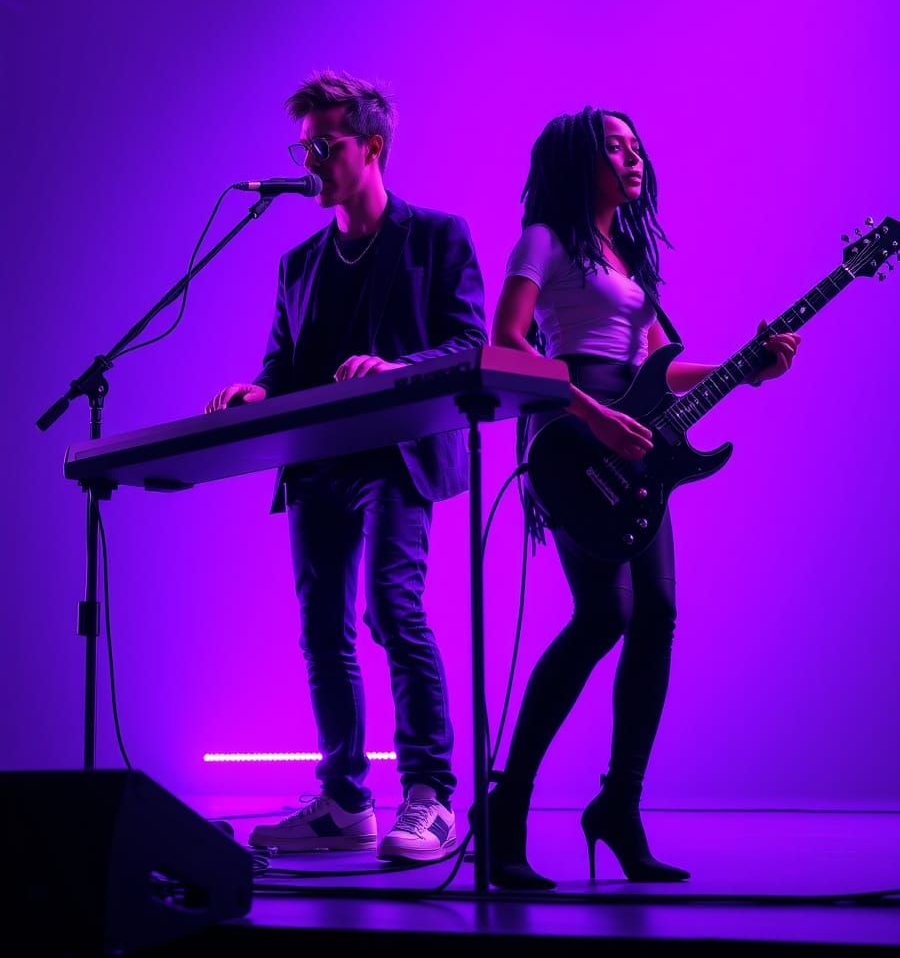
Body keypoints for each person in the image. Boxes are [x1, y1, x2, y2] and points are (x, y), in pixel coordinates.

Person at [484, 107, 800, 889]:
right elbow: (510, 341)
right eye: (615, 146)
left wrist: (749, 366)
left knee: (655, 613)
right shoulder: (545, 240)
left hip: (640, 439)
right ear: (578, 159)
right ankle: (506, 809)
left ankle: (619, 807)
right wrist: (594, 414)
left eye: (636, 147)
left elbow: (665, 367)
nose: (633, 158)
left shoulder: (630, 262)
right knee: (605, 614)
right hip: (571, 435)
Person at [205, 70, 487, 861]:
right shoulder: (298, 264)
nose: (311, 162)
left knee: (392, 609)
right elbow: (284, 366)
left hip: (398, 455)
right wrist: (256, 389)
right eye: (303, 149)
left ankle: (430, 796)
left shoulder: (438, 237)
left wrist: (395, 369)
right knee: (320, 630)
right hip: (318, 462)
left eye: (324, 146)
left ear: (373, 147)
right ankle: (344, 802)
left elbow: (471, 344)